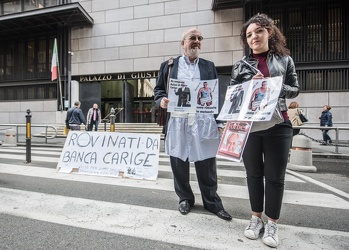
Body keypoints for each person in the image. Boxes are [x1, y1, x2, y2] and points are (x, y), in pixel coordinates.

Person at [230, 14, 299, 248]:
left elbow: (295, 89)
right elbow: (233, 94)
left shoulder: (284, 60)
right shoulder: (241, 65)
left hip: (278, 124)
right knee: (253, 175)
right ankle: (255, 219)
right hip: (250, 127)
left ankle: (272, 223)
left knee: (275, 178)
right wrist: (249, 85)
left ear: (269, 32)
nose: (254, 37)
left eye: (258, 31)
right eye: (249, 34)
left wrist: (272, 85)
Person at [154, 27, 232, 221]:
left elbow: (215, 96)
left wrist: (219, 121)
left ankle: (212, 202)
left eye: (199, 38)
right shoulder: (169, 65)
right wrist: (162, 101)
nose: (196, 41)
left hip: (203, 120)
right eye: (192, 38)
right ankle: (185, 198)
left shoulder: (208, 66)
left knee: (207, 163)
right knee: (179, 163)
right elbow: (158, 91)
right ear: (183, 44)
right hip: (178, 121)